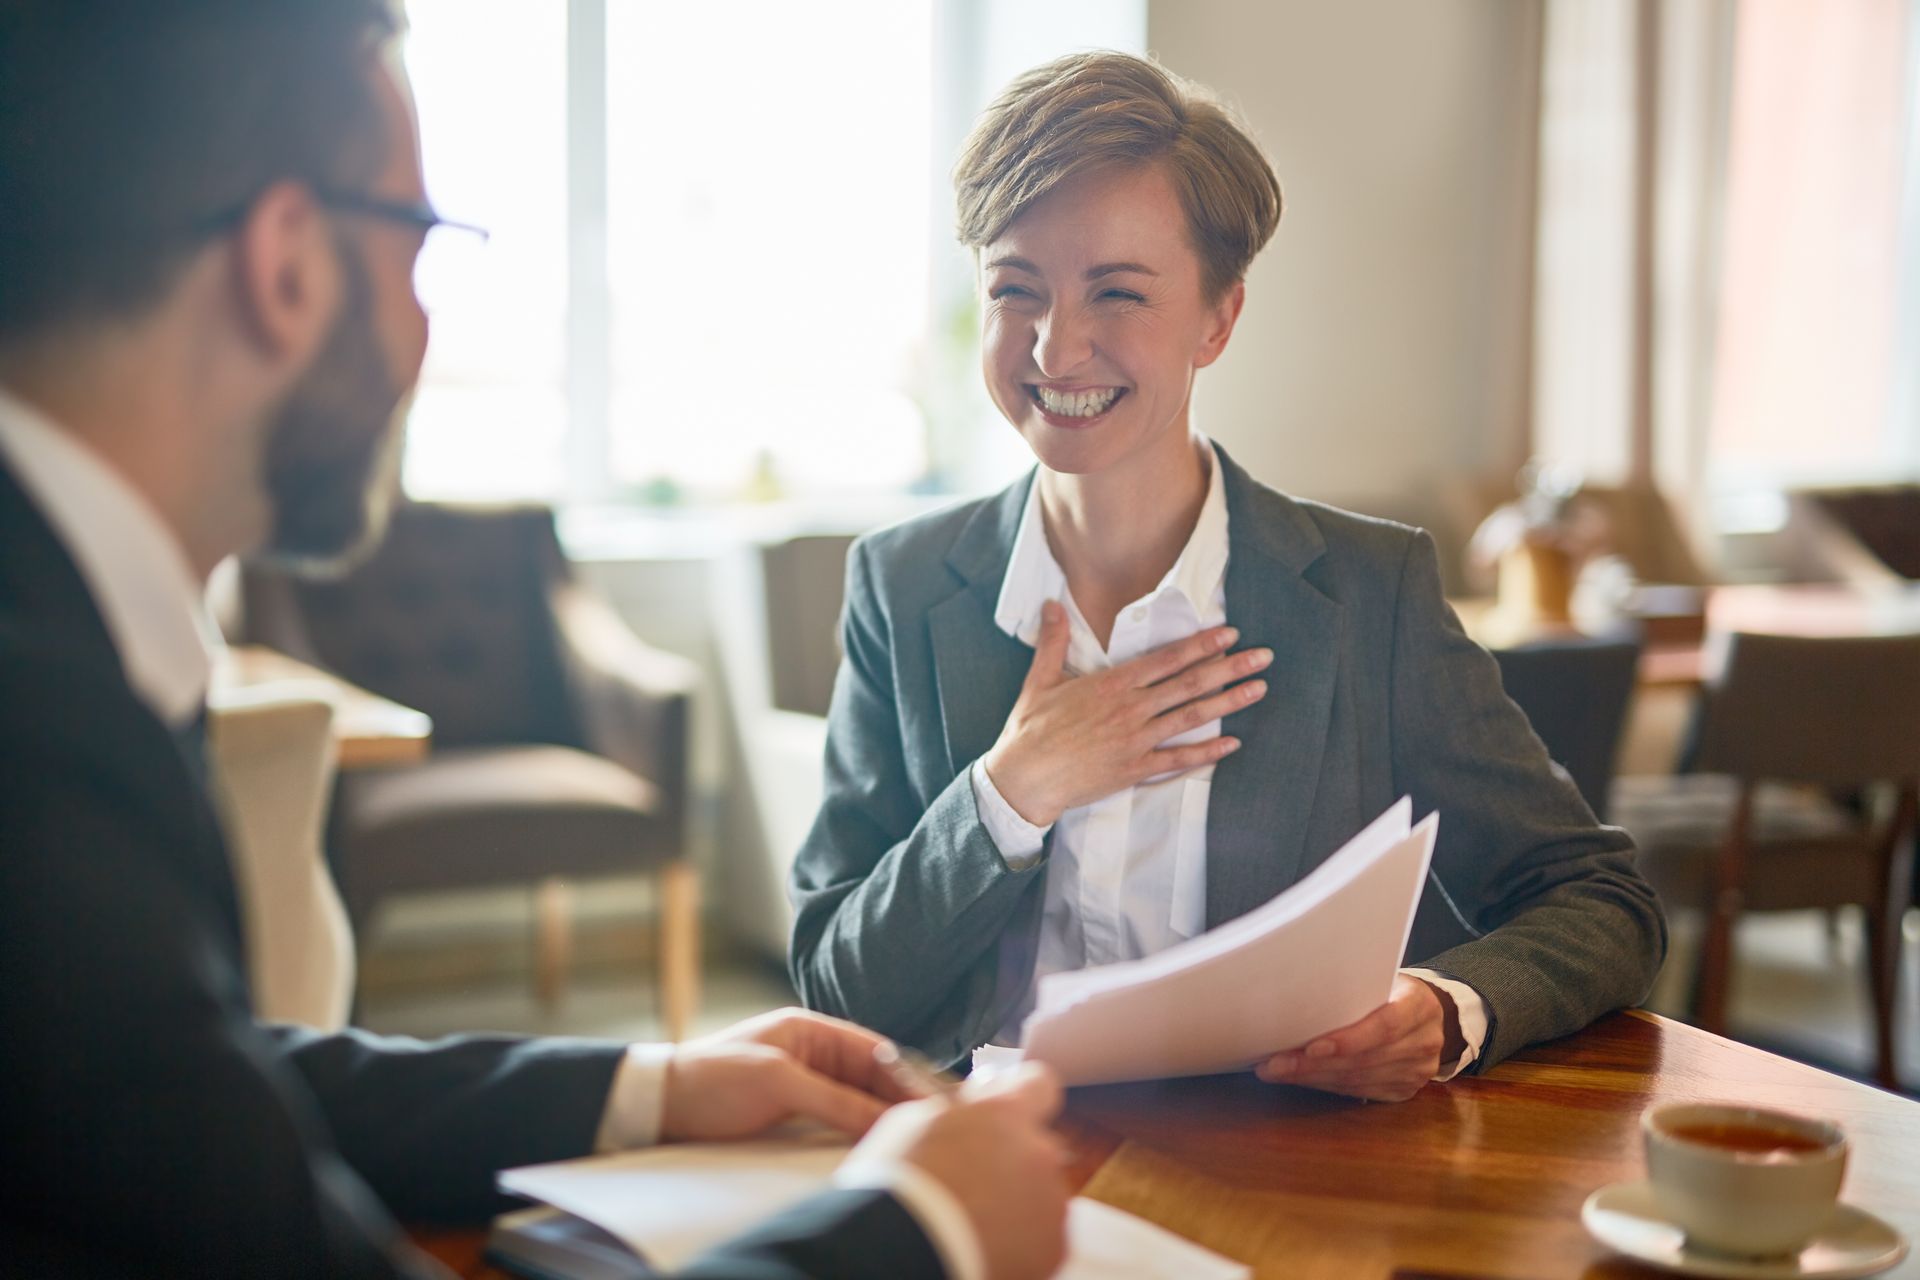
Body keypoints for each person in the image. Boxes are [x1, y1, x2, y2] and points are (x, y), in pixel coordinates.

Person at [0, 4, 1069, 1277]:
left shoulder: (59, 639)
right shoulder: (42, 737)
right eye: (417, 243)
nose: (424, 322)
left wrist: (647, 1083)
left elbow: (184, 1093)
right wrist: (922, 1227)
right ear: (283, 266)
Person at [788, 51, 1668, 1101]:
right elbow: (837, 991)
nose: (1055, 346)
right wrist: (1009, 792)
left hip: (1274, 1180)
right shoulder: (903, 584)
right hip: (984, 1171)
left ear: (1218, 318)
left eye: (1116, 292)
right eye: (1015, 289)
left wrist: (1440, 1009)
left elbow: (1602, 897)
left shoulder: (1367, 592)